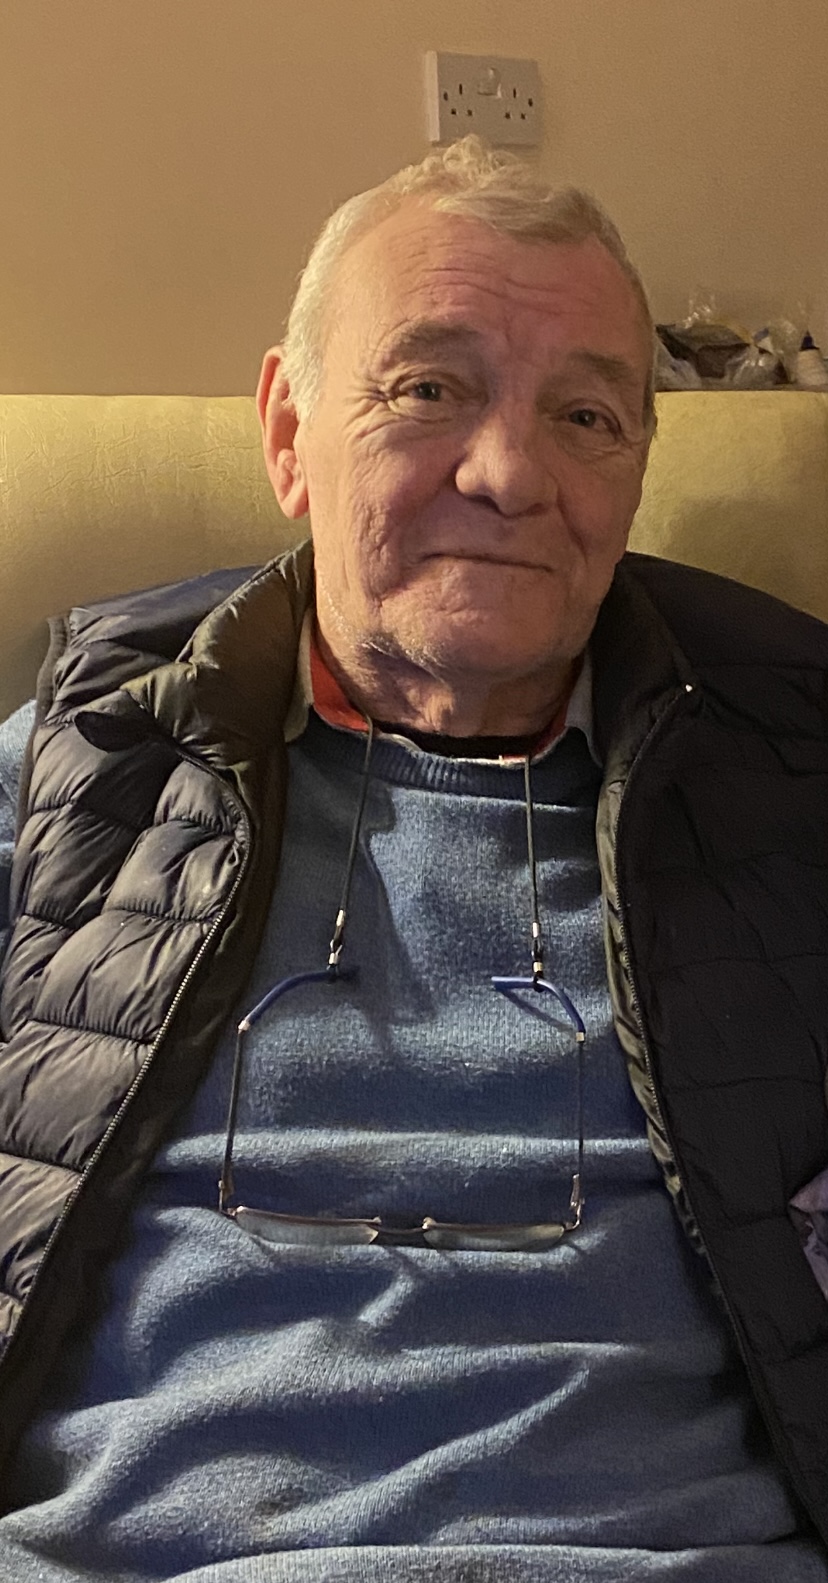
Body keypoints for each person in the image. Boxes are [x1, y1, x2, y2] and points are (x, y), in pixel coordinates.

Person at [0, 135, 827, 1582]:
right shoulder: (84, 763)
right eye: (430, 389)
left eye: (586, 414)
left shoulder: (788, 766)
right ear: (288, 432)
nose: (509, 474)